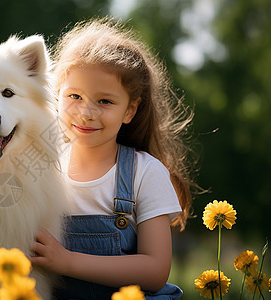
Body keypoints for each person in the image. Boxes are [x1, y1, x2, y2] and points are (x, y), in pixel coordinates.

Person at [30, 18, 197, 299]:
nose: (86, 112)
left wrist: (67, 261)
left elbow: (156, 271)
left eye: (105, 101)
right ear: (57, 96)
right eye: (75, 96)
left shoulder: (144, 173)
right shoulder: (43, 167)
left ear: (130, 111)